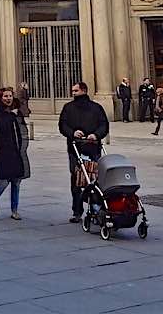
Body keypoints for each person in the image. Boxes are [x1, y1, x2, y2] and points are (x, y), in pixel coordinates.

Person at [58, 80, 109, 224]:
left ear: (84, 91)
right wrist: (73, 132)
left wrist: (96, 135)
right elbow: (63, 125)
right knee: (76, 180)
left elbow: (104, 124)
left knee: (94, 179)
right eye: (73, 91)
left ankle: (95, 207)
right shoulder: (68, 108)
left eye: (76, 91)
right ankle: (77, 211)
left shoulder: (96, 108)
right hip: (75, 150)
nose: (73, 93)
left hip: (93, 148)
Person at [0, 86, 31, 220]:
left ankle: (14, 210)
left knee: (17, 181)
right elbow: (0, 127)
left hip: (18, 150)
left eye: (10, 96)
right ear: (0, 98)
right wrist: (11, 115)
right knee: (3, 181)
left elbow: (25, 117)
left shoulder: (17, 111)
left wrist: (23, 93)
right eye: (5, 96)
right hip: (5, 151)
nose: (8, 98)